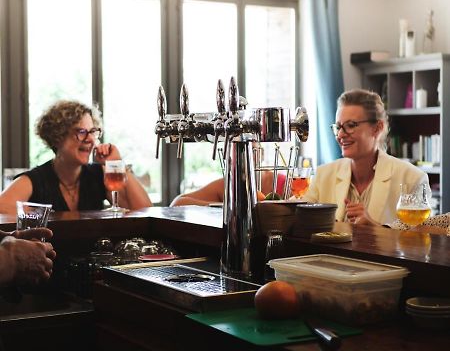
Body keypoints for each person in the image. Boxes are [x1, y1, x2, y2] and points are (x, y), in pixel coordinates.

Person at [303, 89, 429, 226]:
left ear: (377, 128)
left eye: (350, 125)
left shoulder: (413, 179)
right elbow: (295, 215)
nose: (340, 135)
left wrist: (375, 228)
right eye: (338, 127)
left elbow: (419, 241)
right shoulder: (323, 175)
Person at [0, 100, 152, 213]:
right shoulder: (34, 180)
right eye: (81, 132)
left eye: (92, 131)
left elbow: (145, 211)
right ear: (57, 137)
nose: (90, 139)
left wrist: (117, 163)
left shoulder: (98, 174)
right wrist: (28, 213)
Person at [170, 170, 286, 206]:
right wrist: (226, 209)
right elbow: (178, 203)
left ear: (261, 153)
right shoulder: (229, 183)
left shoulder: (286, 184)